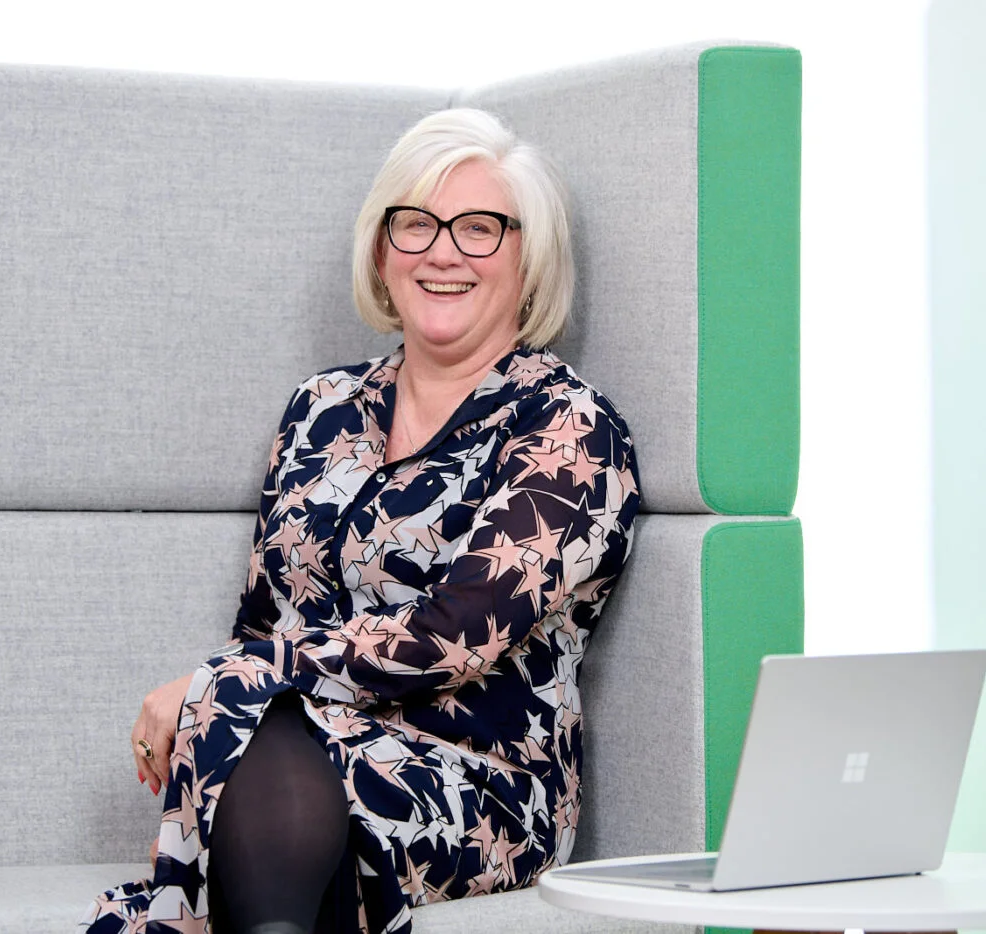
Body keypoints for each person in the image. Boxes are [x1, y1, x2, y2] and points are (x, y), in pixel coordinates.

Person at [80, 108, 642, 934]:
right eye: (415, 224)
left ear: (531, 259)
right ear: (382, 250)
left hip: (478, 782)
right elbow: (265, 621)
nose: (442, 251)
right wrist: (240, 684)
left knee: (245, 699)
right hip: (292, 752)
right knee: (257, 720)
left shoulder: (568, 429)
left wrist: (222, 684)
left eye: (480, 228)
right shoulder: (320, 411)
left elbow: (455, 631)